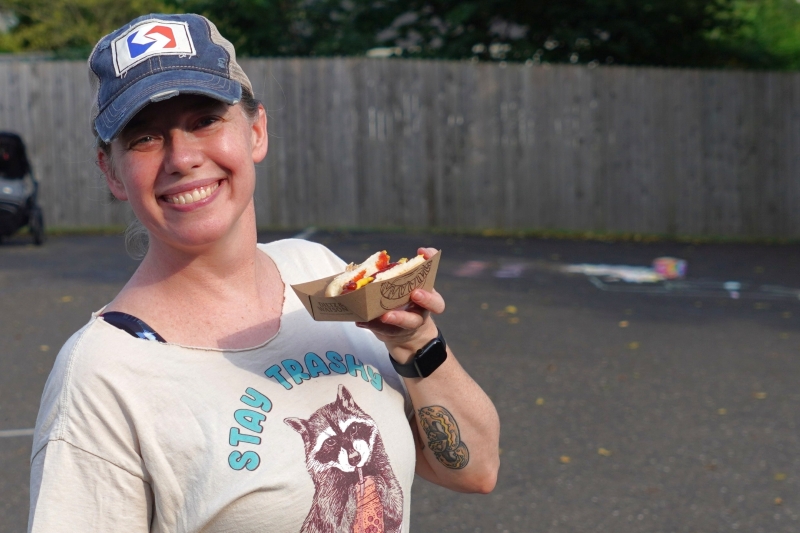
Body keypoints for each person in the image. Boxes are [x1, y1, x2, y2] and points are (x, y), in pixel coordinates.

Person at [28, 13, 500, 533]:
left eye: (205, 120)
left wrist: (416, 344)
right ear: (112, 172)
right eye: (144, 138)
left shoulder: (318, 275)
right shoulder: (103, 375)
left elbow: (474, 470)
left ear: (255, 132)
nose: (182, 158)